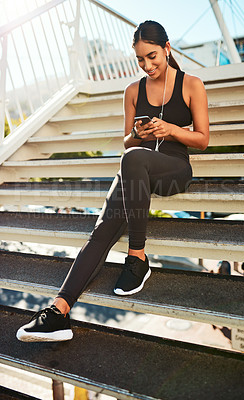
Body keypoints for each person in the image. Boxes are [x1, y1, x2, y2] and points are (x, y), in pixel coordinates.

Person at [16, 20, 209, 342]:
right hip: (137, 169)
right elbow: (127, 143)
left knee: (132, 160)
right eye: (140, 60)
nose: (147, 65)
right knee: (102, 229)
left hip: (173, 168)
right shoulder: (132, 91)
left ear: (167, 49)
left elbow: (202, 139)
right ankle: (58, 312)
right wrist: (138, 134)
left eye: (152, 57)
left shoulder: (192, 84)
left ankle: (137, 256)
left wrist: (170, 130)